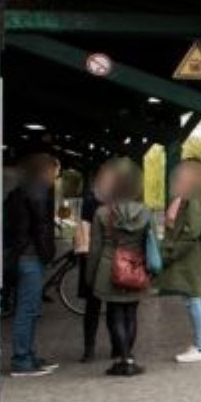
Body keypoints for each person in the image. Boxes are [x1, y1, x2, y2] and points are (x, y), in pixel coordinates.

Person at [85, 158, 152, 377]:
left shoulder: (102, 213)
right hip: (136, 268)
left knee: (115, 315)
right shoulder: (145, 213)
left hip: (109, 269)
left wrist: (90, 276)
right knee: (131, 314)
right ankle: (129, 359)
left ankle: (123, 360)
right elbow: (152, 245)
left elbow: (95, 248)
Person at [3, 153, 60, 377]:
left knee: (29, 308)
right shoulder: (37, 191)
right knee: (28, 310)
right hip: (29, 257)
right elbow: (41, 227)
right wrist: (48, 254)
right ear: (46, 170)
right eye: (55, 171)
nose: (56, 176)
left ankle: (28, 355)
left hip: (21, 256)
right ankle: (22, 360)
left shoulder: (19, 191)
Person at [157, 160, 201, 363]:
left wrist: (171, 252)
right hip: (188, 255)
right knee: (191, 299)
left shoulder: (194, 200)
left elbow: (192, 231)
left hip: (189, 256)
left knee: (194, 299)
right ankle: (199, 344)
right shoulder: (189, 198)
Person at [77, 163, 121, 363]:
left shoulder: (94, 200)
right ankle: (93, 349)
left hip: (106, 259)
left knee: (107, 307)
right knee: (97, 307)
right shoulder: (94, 200)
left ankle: (109, 348)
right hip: (97, 258)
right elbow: (84, 228)